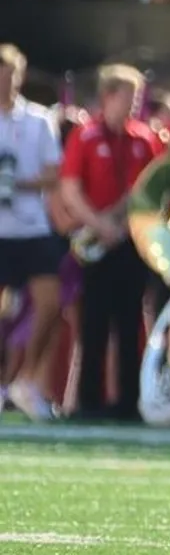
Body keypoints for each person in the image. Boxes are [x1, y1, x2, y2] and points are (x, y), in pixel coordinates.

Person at [57, 64, 165, 421]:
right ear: (107, 96)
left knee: (131, 321)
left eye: (137, 98)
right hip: (97, 239)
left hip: (131, 242)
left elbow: (152, 190)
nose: (134, 104)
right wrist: (98, 223)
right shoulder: (85, 136)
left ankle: (129, 402)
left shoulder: (145, 139)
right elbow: (71, 189)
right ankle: (88, 401)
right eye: (127, 97)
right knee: (94, 323)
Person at [0, 44, 65, 421]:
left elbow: (53, 173)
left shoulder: (38, 119)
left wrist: (17, 184)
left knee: (50, 302)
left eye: (9, 75)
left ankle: (27, 380)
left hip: (31, 226)